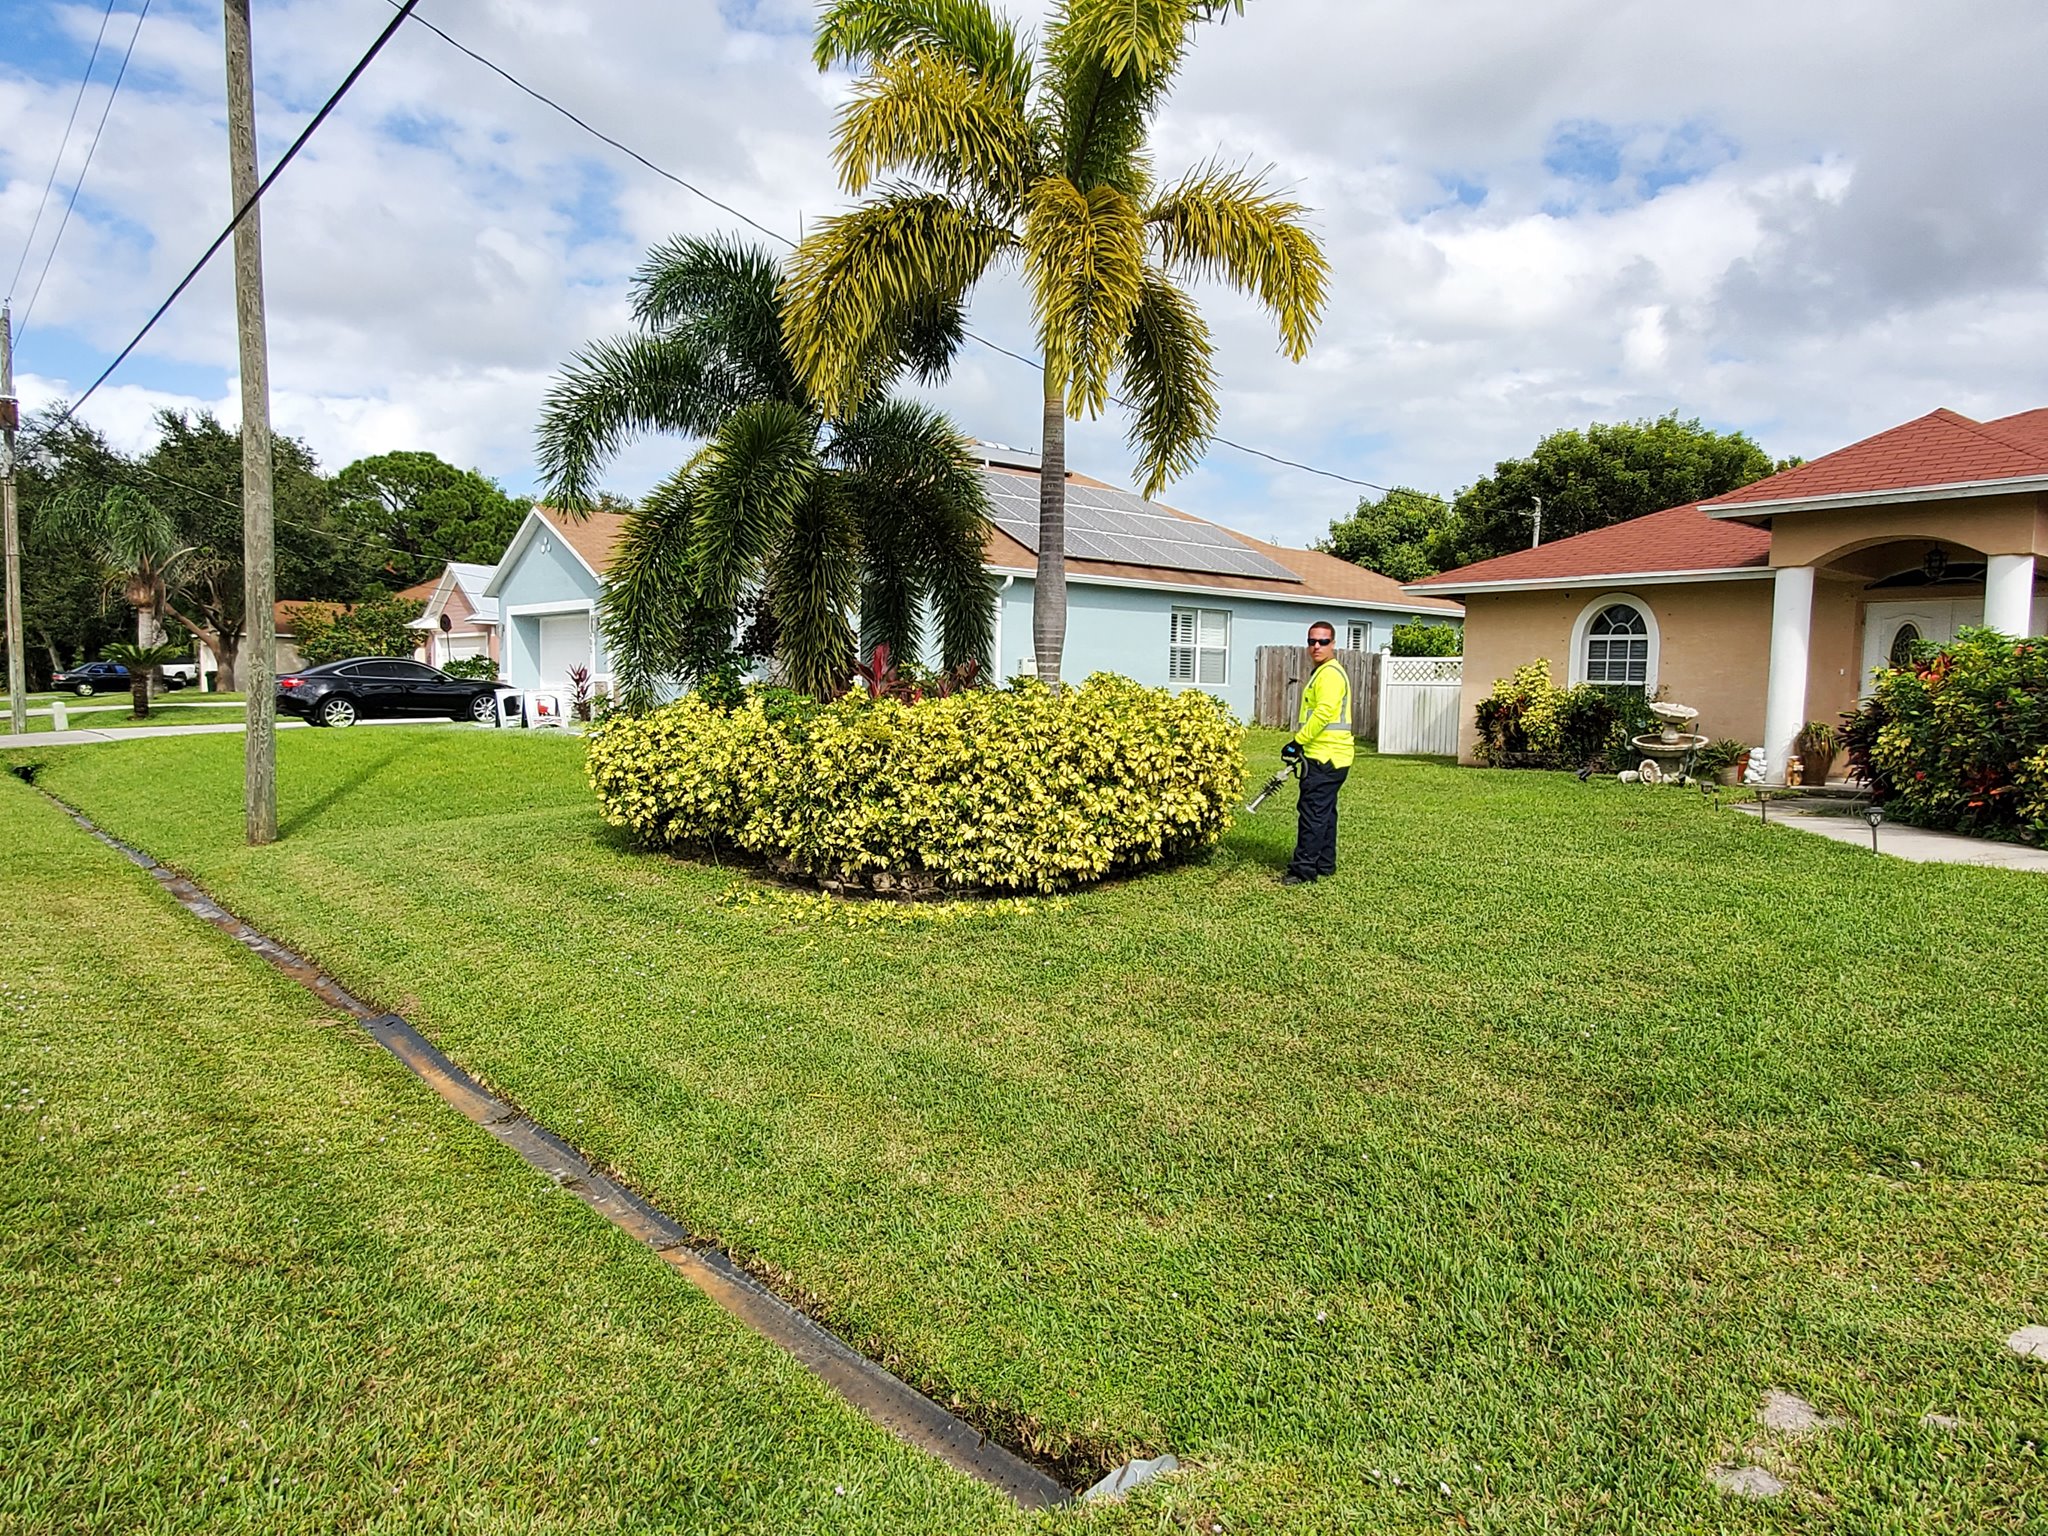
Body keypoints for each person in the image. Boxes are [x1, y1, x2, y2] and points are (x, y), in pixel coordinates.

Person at [1281, 622, 1353, 885]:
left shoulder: (1330, 675)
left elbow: (1323, 713)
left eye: (1323, 642)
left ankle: (1303, 870)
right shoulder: (1323, 672)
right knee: (1325, 813)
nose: (1316, 646)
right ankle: (1324, 863)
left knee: (1312, 813)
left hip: (1326, 757)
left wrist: (1297, 742)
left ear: (1333, 644)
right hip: (1331, 756)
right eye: (1312, 641)